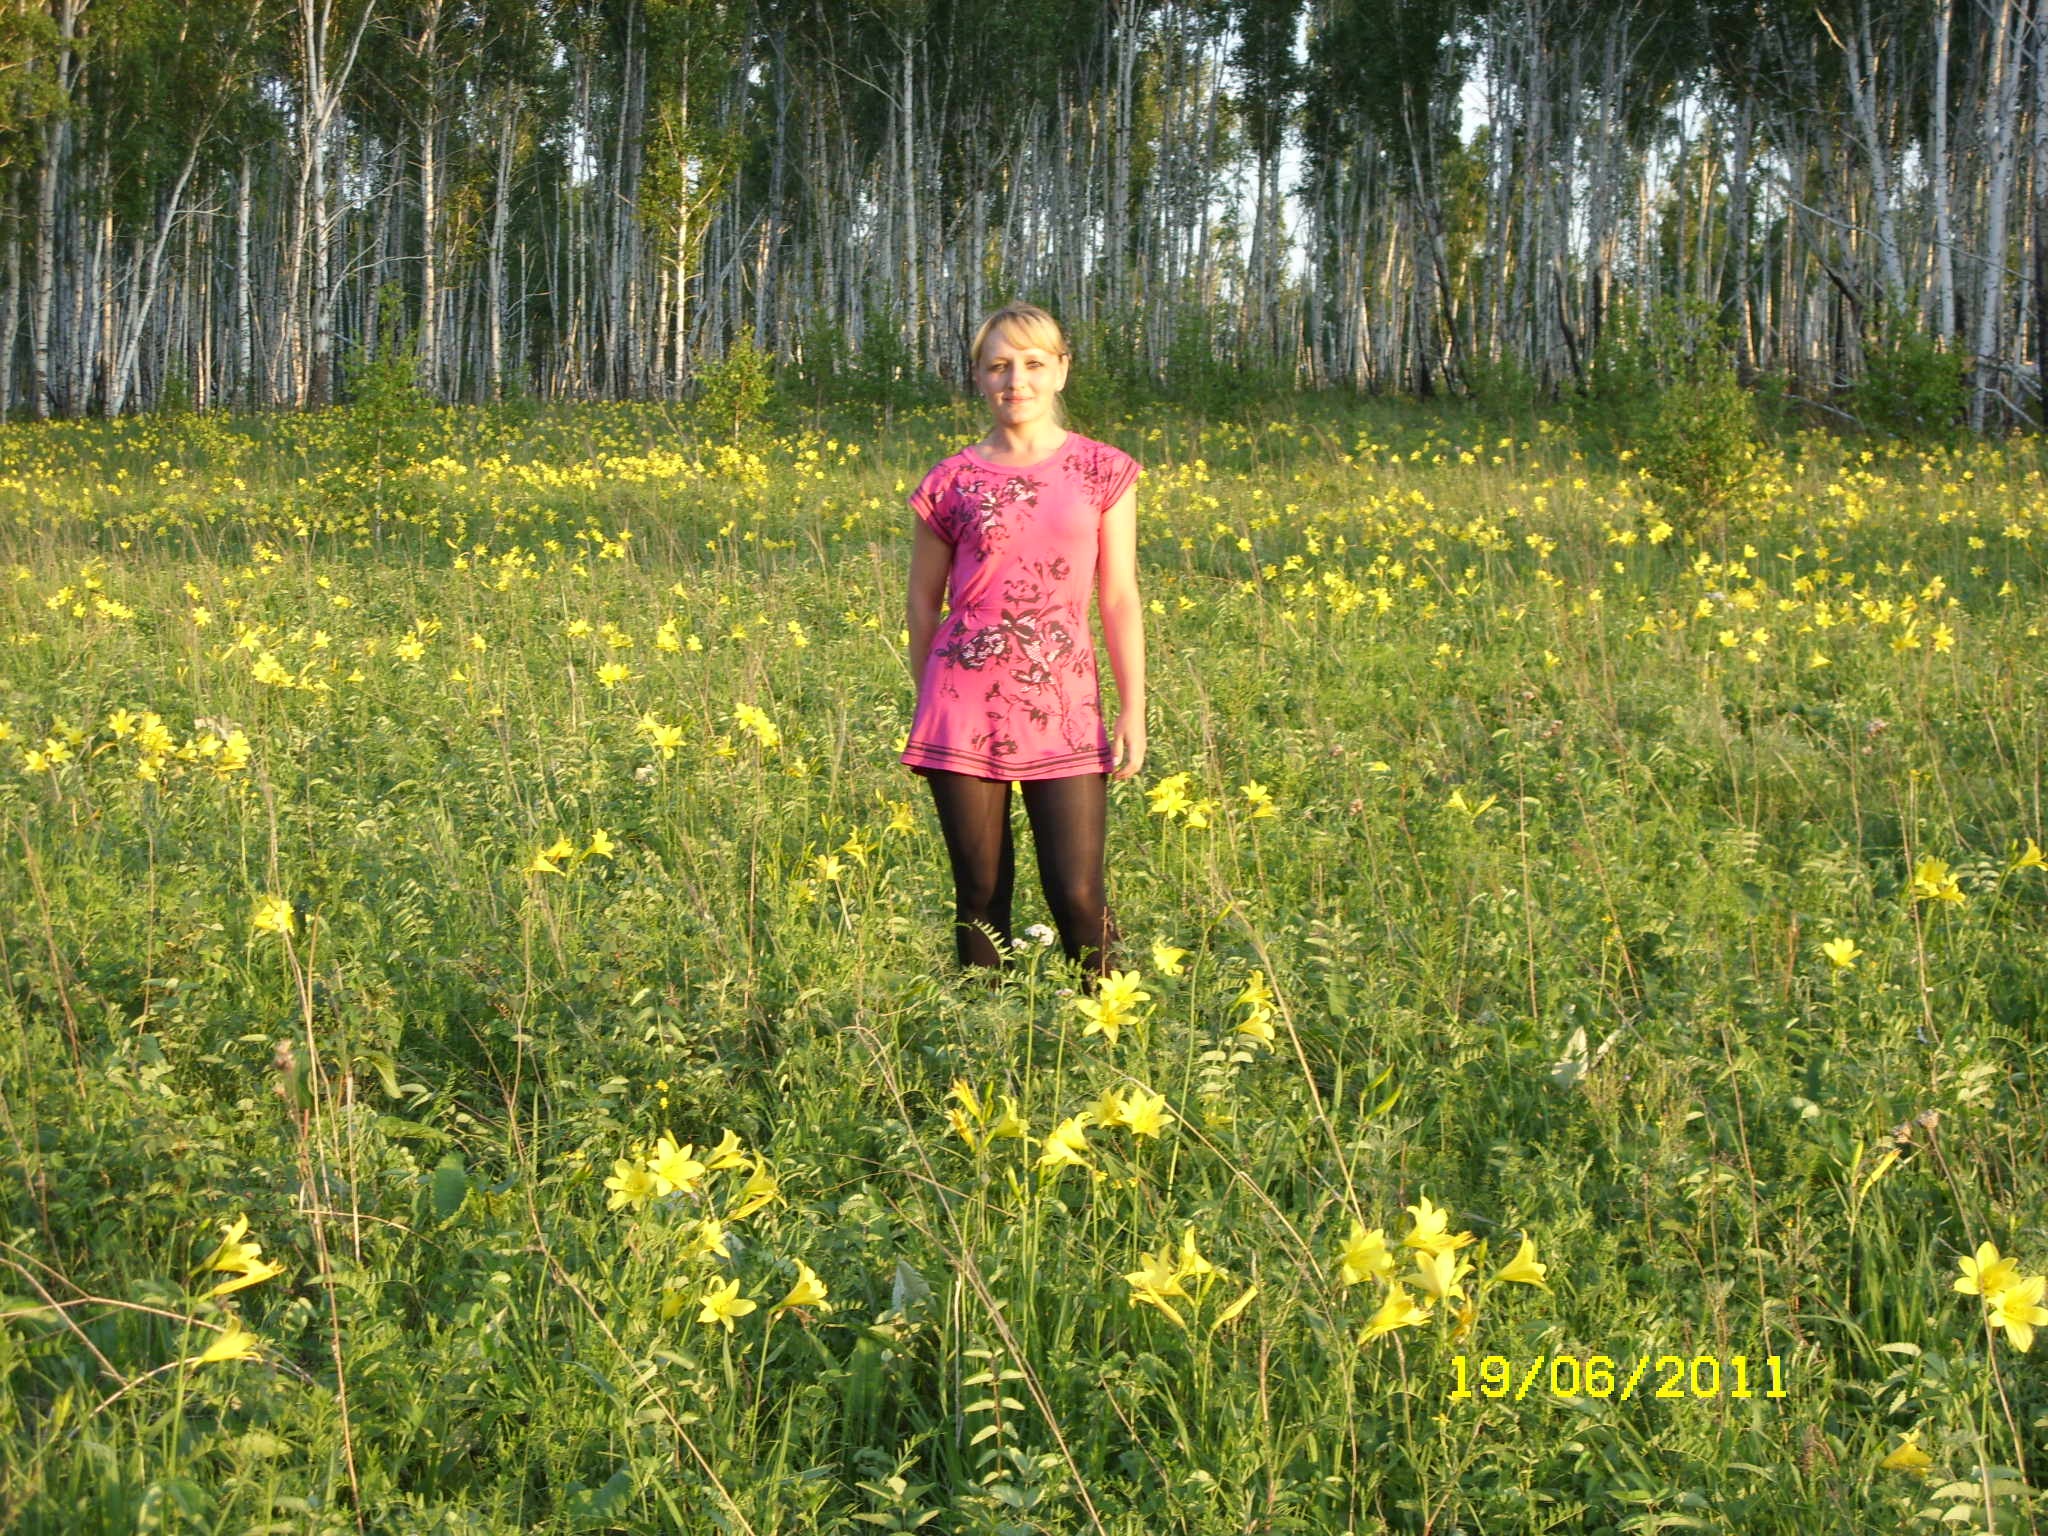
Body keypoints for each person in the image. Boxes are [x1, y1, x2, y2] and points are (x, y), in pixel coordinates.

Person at [900, 301, 1146, 991]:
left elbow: (1119, 597)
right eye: (999, 366)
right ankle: (985, 1033)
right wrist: (930, 700)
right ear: (978, 376)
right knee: (980, 897)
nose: (1017, 380)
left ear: (1061, 370)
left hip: (1065, 706)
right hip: (962, 704)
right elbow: (921, 602)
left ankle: (1112, 1028)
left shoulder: (1102, 470)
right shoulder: (950, 482)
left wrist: (1133, 708)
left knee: (1078, 894)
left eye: (1034, 363)